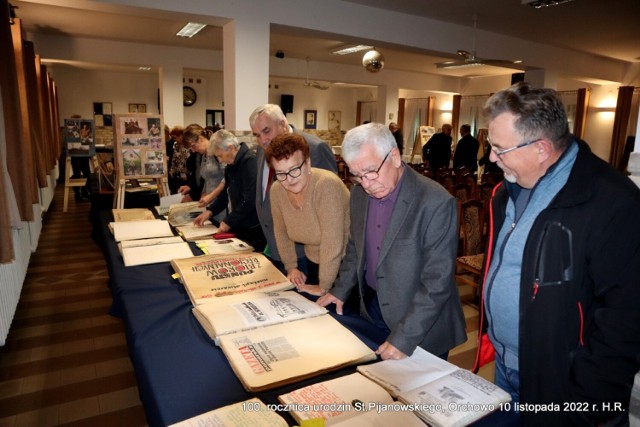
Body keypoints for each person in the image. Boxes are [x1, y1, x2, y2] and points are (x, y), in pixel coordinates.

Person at [474, 82, 640, 426]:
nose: (491, 157)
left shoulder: (613, 201)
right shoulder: (508, 189)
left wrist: (591, 398)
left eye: (498, 148)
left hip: (565, 381)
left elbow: (625, 318)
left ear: (541, 148)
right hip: (507, 366)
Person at [317, 123, 466, 361]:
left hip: (421, 324)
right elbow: (356, 248)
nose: (366, 183)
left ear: (394, 156)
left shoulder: (435, 202)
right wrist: (340, 290)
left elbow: (437, 283)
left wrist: (404, 338)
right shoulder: (359, 194)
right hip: (373, 308)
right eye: (358, 175)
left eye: (371, 172)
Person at [249, 104, 337, 274]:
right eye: (257, 135)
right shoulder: (262, 150)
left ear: (282, 124)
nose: (262, 140)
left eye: (267, 131)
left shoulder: (315, 148)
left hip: (305, 254)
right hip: (274, 246)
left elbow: (330, 206)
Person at [266, 133, 350, 296]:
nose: (289, 180)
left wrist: (324, 286)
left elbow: (332, 242)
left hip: (345, 266)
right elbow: (281, 232)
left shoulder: (326, 185)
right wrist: (291, 267)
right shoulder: (277, 190)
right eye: (281, 173)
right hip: (314, 261)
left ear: (308, 162)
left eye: (294, 170)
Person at [194, 130, 266, 251]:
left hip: (252, 229)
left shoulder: (250, 162)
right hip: (239, 225)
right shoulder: (231, 165)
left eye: (220, 156)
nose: (220, 160)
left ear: (230, 148)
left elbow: (249, 199)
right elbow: (225, 194)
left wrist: (229, 221)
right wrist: (210, 212)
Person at [178, 124, 225, 210]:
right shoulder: (203, 156)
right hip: (210, 203)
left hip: (221, 201)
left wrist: (211, 195)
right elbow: (207, 180)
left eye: (193, 146)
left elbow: (227, 178)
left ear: (200, 139)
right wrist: (203, 193)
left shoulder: (217, 151)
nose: (192, 150)